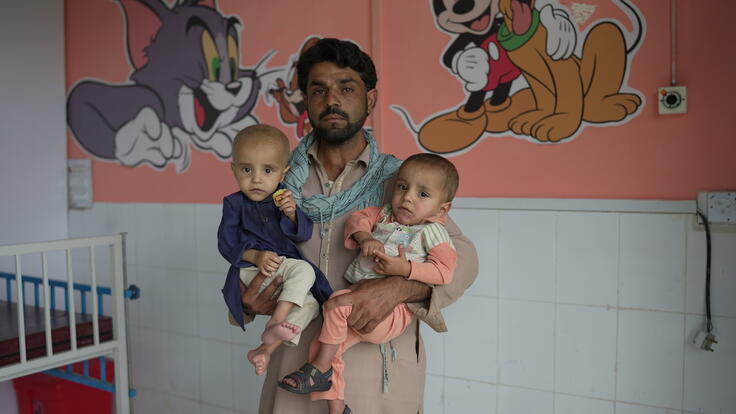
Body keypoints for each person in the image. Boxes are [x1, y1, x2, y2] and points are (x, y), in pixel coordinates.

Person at [235, 38, 479, 414]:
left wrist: (401, 287)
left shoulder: (400, 181)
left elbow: (463, 257)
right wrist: (244, 296)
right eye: (319, 90)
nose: (332, 100)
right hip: (292, 369)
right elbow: (244, 250)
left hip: (379, 373)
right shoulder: (279, 182)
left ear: (370, 99)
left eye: (346, 88)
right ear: (307, 101)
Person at [279, 153, 460, 414]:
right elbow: (357, 219)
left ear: (442, 209)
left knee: (335, 305)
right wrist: (365, 238)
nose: (407, 197)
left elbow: (445, 272)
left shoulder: (433, 232)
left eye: (422, 194)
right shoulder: (385, 215)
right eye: (402, 187)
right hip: (359, 300)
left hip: (391, 313)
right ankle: (337, 406)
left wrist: (405, 269)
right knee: (325, 346)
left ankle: (317, 371)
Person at [217, 124, 332, 376]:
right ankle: (277, 321)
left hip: (280, 271)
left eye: (267, 170)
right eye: (247, 169)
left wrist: (291, 214)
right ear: (234, 170)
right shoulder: (234, 204)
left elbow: (302, 233)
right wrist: (253, 256)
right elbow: (226, 243)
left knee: (311, 305)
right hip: (248, 271)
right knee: (303, 270)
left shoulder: (282, 200)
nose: (257, 178)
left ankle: (265, 349)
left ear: (283, 172)